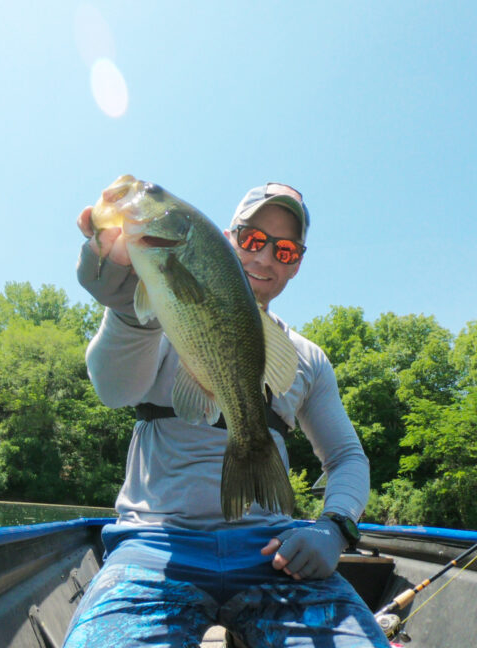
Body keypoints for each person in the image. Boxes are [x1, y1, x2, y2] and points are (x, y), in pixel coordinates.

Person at [65, 182, 389, 648]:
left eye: (285, 250)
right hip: (152, 549)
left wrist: (332, 529)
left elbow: (346, 457)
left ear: (297, 264)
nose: (264, 258)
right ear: (224, 238)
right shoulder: (161, 305)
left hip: (273, 554)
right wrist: (125, 313)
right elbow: (114, 389)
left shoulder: (308, 358)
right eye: (253, 240)